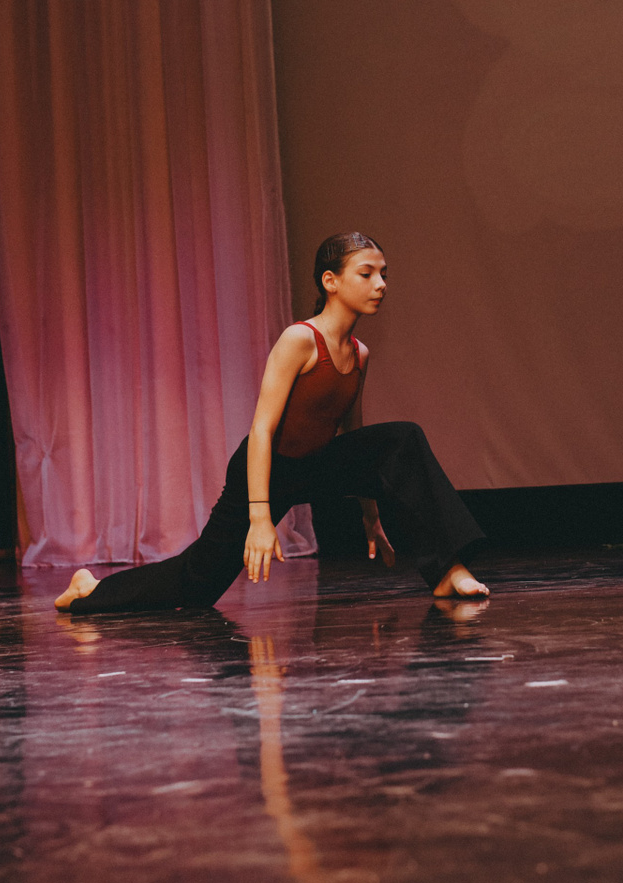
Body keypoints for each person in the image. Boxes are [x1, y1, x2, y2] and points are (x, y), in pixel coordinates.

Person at [54, 232, 489, 613]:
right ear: (330, 281)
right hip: (267, 470)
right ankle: (89, 591)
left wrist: (371, 516)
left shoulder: (360, 354)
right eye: (367, 274)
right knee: (197, 584)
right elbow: (261, 429)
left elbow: (357, 442)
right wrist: (260, 518)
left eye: (384, 274)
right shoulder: (300, 339)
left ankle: (447, 570)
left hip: (317, 465)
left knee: (402, 439)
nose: (381, 284)